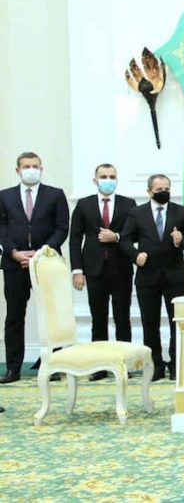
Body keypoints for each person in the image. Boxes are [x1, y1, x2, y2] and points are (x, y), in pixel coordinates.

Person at [119, 174, 184, 382]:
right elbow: (124, 240)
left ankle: (176, 365)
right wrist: (136, 256)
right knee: (150, 322)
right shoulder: (136, 213)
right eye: (159, 189)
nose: (163, 192)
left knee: (177, 322)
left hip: (176, 276)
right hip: (147, 276)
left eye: (167, 188)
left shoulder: (180, 211)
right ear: (149, 192)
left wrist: (182, 239)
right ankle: (155, 365)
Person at [0, 152, 69, 384]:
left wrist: (41, 254)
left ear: (42, 169)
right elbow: (2, 229)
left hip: (46, 263)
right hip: (14, 263)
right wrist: (13, 252)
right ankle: (13, 369)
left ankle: (55, 365)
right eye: (27, 166)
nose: (32, 169)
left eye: (35, 166)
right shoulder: (4, 196)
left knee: (52, 315)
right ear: (18, 170)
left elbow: (62, 229)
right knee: (14, 316)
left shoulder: (55, 195)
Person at [69, 164, 137, 380]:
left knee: (122, 317)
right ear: (95, 180)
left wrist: (115, 236)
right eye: (103, 176)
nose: (108, 180)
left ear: (117, 179)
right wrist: (77, 270)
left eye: (112, 176)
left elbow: (134, 234)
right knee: (98, 318)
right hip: (93, 270)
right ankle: (98, 366)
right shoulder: (84, 204)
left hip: (121, 269)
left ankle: (124, 364)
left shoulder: (128, 204)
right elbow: (75, 238)